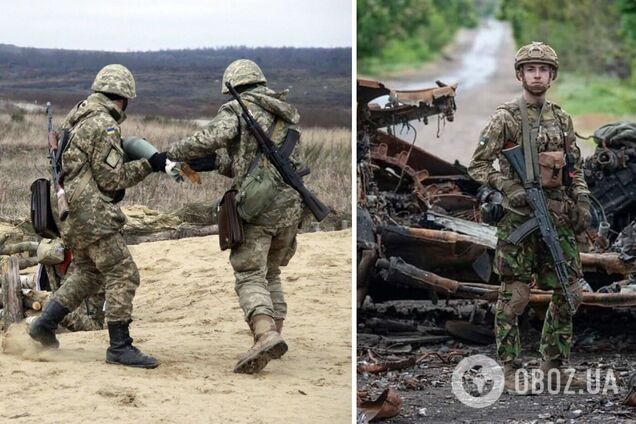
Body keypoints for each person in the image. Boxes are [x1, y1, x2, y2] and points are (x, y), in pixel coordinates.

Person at [154, 59, 304, 374]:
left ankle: (264, 335)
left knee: (250, 274)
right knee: (271, 273)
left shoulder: (238, 110)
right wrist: (215, 163)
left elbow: (211, 137)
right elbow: (254, 164)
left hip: (258, 209)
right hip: (292, 206)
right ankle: (275, 334)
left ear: (233, 87)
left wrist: (173, 152)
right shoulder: (283, 113)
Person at [467, 42, 591, 393]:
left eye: (543, 69)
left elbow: (574, 169)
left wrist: (580, 199)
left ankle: (554, 366)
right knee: (515, 296)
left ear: (552, 76)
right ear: (520, 75)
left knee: (569, 292)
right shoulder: (505, 117)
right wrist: (508, 186)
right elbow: (478, 165)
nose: (537, 75)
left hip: (557, 215)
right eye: (530, 69)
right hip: (518, 218)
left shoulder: (562, 118)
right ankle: (508, 370)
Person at [29, 64, 165, 368]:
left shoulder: (76, 119)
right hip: (94, 215)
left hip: (71, 214)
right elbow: (112, 179)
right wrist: (149, 164)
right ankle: (119, 346)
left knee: (86, 272)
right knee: (123, 272)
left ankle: (44, 325)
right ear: (123, 99)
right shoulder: (103, 124)